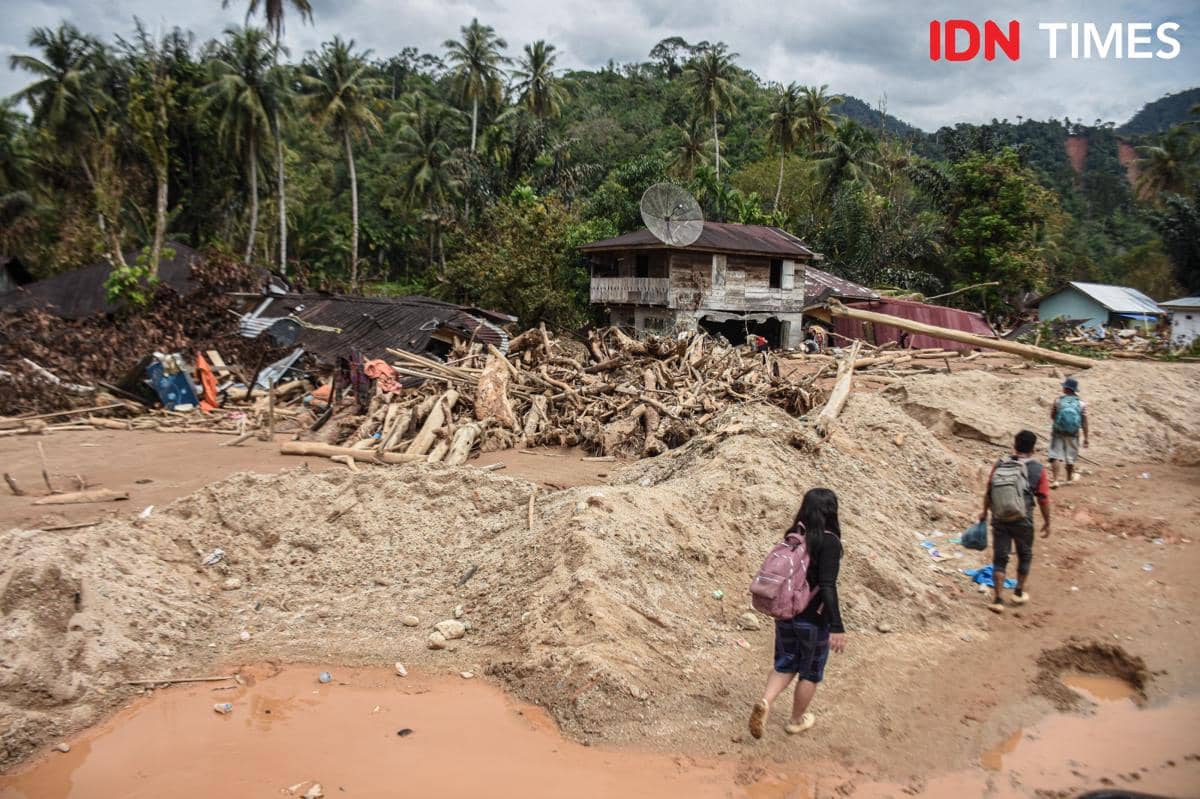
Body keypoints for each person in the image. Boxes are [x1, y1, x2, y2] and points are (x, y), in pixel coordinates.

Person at [749, 488, 845, 739]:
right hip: (813, 618)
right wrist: (836, 625)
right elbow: (827, 585)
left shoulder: (794, 536)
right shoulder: (830, 541)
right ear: (831, 511)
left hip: (786, 613)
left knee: (785, 663)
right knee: (810, 672)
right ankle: (795, 720)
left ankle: (766, 702)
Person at [979, 430, 1051, 614]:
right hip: (1023, 519)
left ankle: (998, 600)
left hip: (1000, 518)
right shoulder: (1037, 469)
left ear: (1015, 445)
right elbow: (1043, 498)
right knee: (1024, 554)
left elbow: (989, 490)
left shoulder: (1001, 464)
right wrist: (1047, 521)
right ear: (1033, 449)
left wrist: (984, 512)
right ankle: (1018, 592)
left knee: (1000, 559)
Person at [1048, 377, 1089, 487]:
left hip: (1058, 432)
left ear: (1065, 388)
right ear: (1075, 390)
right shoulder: (1081, 404)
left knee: (1055, 455)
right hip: (1073, 433)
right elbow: (1084, 422)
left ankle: (1056, 480)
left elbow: (1052, 416)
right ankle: (1069, 479)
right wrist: (1086, 438)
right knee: (1070, 456)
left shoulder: (1058, 401)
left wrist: (1059, 423)